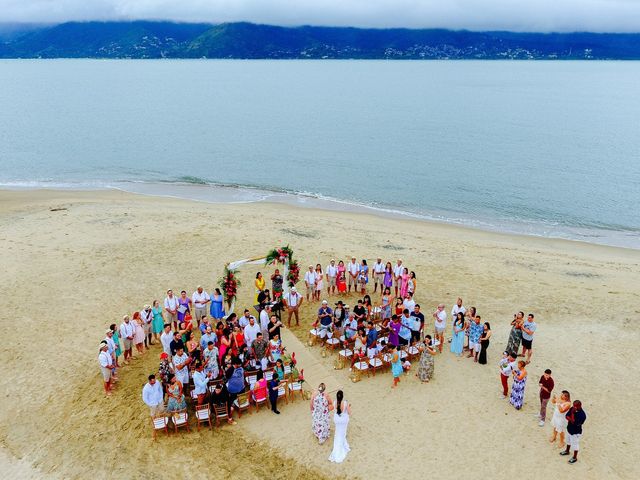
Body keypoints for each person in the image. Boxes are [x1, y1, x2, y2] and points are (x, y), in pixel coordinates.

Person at [328, 390, 351, 463]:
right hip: (343, 420)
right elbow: (349, 413)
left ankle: (340, 439)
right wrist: (348, 407)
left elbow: (333, 409)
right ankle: (342, 441)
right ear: (342, 396)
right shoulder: (345, 403)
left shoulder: (334, 402)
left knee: (338, 432)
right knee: (343, 431)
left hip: (337, 420)